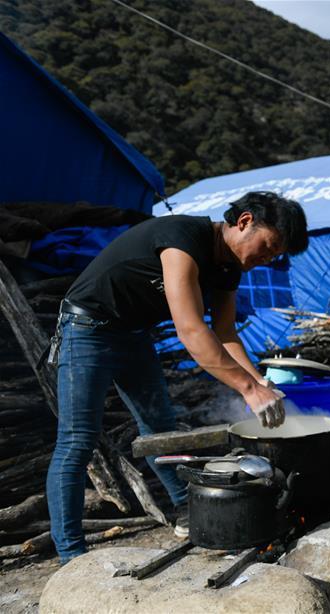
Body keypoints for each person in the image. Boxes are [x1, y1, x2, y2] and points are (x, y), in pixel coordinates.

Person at [46, 191, 308, 564]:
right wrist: (247, 388)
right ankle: (71, 555)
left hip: (133, 334)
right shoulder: (182, 238)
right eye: (267, 247)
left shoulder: (228, 268)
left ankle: (187, 512)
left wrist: (260, 382)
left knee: (160, 430)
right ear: (245, 221)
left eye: (274, 256)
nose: (266, 259)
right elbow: (190, 329)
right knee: (78, 442)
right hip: (88, 327)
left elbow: (225, 334)